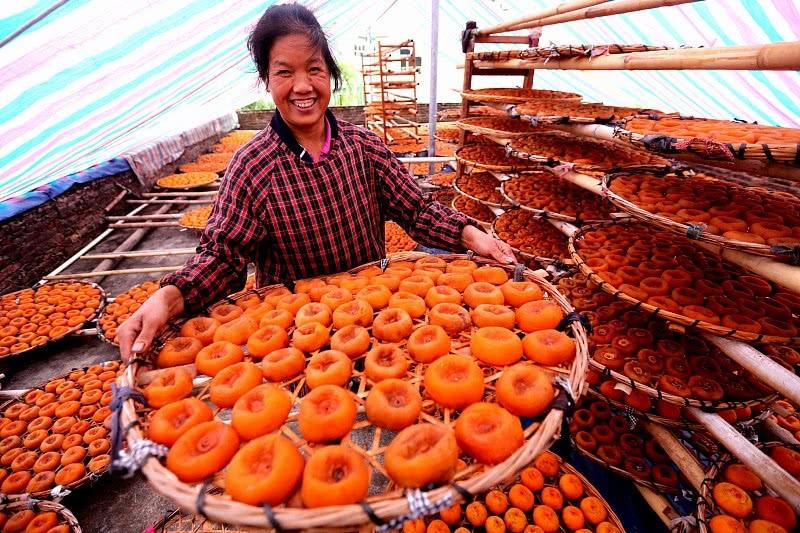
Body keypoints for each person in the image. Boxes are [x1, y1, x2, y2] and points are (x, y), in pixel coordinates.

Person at [118, 3, 516, 361]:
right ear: (266, 80)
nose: (303, 86)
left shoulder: (362, 147)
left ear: (330, 74)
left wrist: (473, 237)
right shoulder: (252, 166)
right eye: (285, 72)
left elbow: (417, 210)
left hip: (374, 319)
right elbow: (223, 257)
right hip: (295, 338)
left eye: (314, 68)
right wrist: (169, 297)